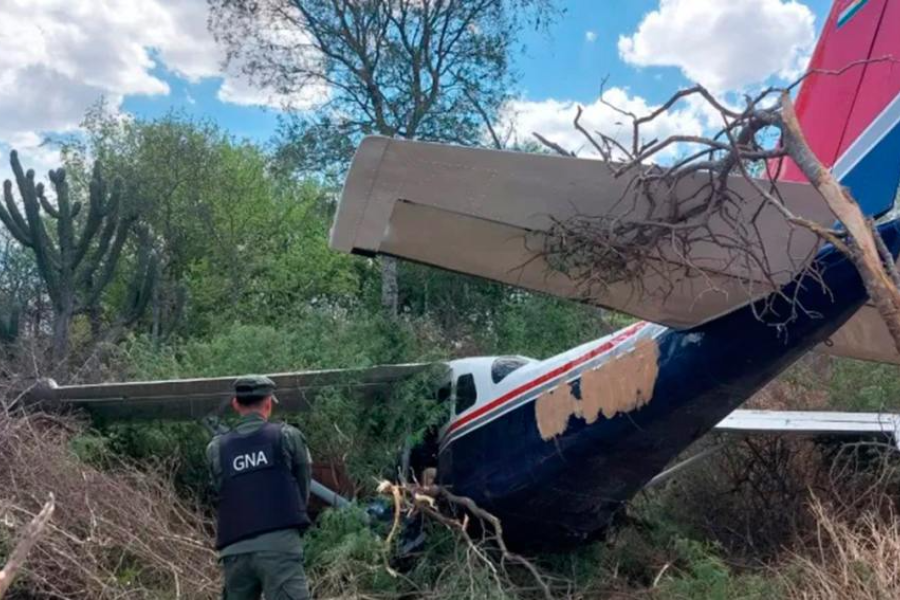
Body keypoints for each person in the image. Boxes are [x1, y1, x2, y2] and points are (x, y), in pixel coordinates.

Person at [207, 375, 312, 600]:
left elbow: (222, 490)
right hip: (280, 545)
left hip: (235, 550)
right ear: (268, 404)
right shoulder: (287, 437)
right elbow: (303, 486)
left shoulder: (216, 448)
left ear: (236, 404)